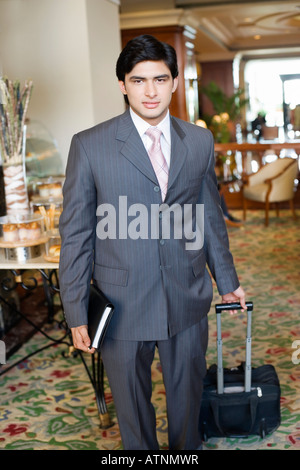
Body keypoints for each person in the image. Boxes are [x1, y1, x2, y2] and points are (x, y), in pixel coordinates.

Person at [59, 34, 246, 451]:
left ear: (175, 82)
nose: (150, 91)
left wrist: (227, 280)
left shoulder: (198, 140)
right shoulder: (89, 145)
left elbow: (209, 215)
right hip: (122, 300)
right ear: (123, 85)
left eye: (160, 79)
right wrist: (74, 311)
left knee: (187, 400)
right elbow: (75, 234)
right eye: (138, 80)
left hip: (186, 293)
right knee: (133, 411)